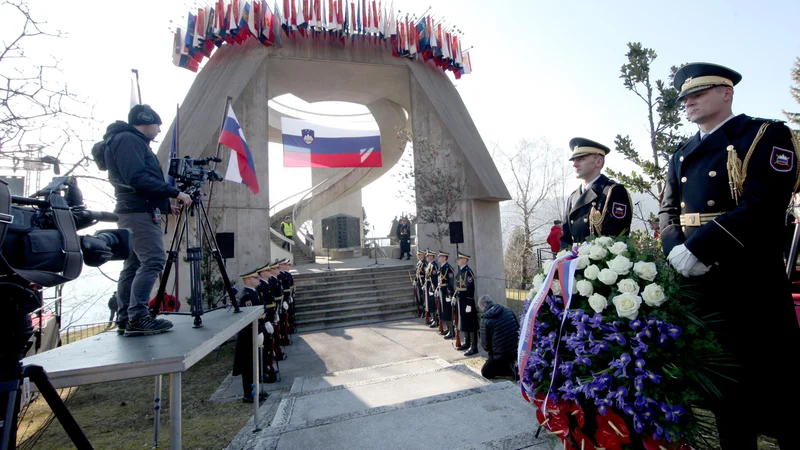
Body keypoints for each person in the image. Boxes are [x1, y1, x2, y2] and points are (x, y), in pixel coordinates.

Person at [659, 62, 800, 449]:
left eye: (698, 92)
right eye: (685, 96)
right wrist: (676, 251)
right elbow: (667, 213)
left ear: (727, 92)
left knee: (774, 385)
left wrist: (700, 247)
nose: (688, 101)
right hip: (700, 284)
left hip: (750, 282)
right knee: (725, 391)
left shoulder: (763, 135)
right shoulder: (682, 153)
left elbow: (764, 205)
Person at [102, 104, 192, 336]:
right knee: (153, 260)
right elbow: (137, 178)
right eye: (157, 125)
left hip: (135, 210)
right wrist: (175, 193)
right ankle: (138, 317)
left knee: (132, 264)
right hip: (138, 213)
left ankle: (126, 318)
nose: (159, 130)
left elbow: (136, 181)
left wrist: (164, 205)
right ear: (145, 121)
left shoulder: (126, 140)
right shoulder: (129, 140)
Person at [560, 138, 632, 250]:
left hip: (601, 264)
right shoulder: (573, 197)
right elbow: (566, 238)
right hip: (573, 264)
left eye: (581, 159)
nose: (574, 164)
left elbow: (615, 239)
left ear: (598, 162)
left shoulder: (613, 192)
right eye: (574, 160)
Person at [231, 268, 270, 403]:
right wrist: (258, 331)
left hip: (256, 332)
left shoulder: (254, 293)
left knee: (255, 365)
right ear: (248, 280)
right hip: (249, 335)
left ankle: (256, 390)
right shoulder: (247, 296)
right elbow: (251, 319)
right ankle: (249, 393)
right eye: (255, 278)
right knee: (249, 366)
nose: (258, 280)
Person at [477, 295, 519, 379]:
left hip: (501, 354)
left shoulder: (485, 320)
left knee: (485, 372)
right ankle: (513, 366)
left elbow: (486, 346)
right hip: (516, 350)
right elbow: (518, 328)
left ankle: (510, 372)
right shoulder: (507, 310)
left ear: (483, 306)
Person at [454, 252, 478, 356]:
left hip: (467, 300)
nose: (458, 260)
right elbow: (458, 285)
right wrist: (454, 296)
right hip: (461, 300)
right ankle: (467, 343)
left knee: (471, 323)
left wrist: (469, 303)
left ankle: (474, 347)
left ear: (465, 260)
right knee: (464, 321)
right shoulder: (460, 272)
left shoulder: (468, 272)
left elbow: (470, 288)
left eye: (459, 258)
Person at [437, 251, 456, 339]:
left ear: (444, 257)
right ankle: (448, 329)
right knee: (443, 311)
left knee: (448, 312)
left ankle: (452, 331)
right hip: (442, 290)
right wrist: (437, 289)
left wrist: (450, 294)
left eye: (440, 256)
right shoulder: (441, 267)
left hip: (446, 292)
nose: (439, 258)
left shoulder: (449, 268)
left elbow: (451, 283)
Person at [424, 250, 439, 329]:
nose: (428, 258)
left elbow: (435, 278)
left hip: (432, 286)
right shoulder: (429, 265)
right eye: (427, 256)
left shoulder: (434, 265)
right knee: (430, 304)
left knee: (434, 304)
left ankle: (436, 320)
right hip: (428, 285)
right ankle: (433, 318)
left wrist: (433, 288)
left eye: (430, 256)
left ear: (433, 257)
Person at [415, 250, 427, 319]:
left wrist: (424, 283)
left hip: (423, 283)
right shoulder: (418, 263)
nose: (418, 256)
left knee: (423, 297)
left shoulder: (424, 264)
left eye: (419, 255)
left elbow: (426, 275)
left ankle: (424, 312)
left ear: (423, 255)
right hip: (419, 283)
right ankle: (420, 311)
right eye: (418, 255)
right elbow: (417, 274)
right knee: (420, 297)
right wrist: (415, 280)